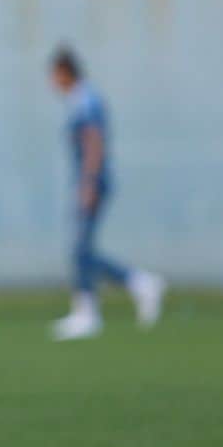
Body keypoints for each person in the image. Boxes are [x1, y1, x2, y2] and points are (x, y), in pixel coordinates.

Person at [48, 46, 165, 340]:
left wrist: (88, 183)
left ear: (64, 72)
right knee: (83, 250)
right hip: (91, 180)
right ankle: (139, 284)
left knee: (81, 249)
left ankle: (89, 311)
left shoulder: (84, 100)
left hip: (93, 182)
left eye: (54, 75)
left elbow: (93, 143)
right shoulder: (82, 98)